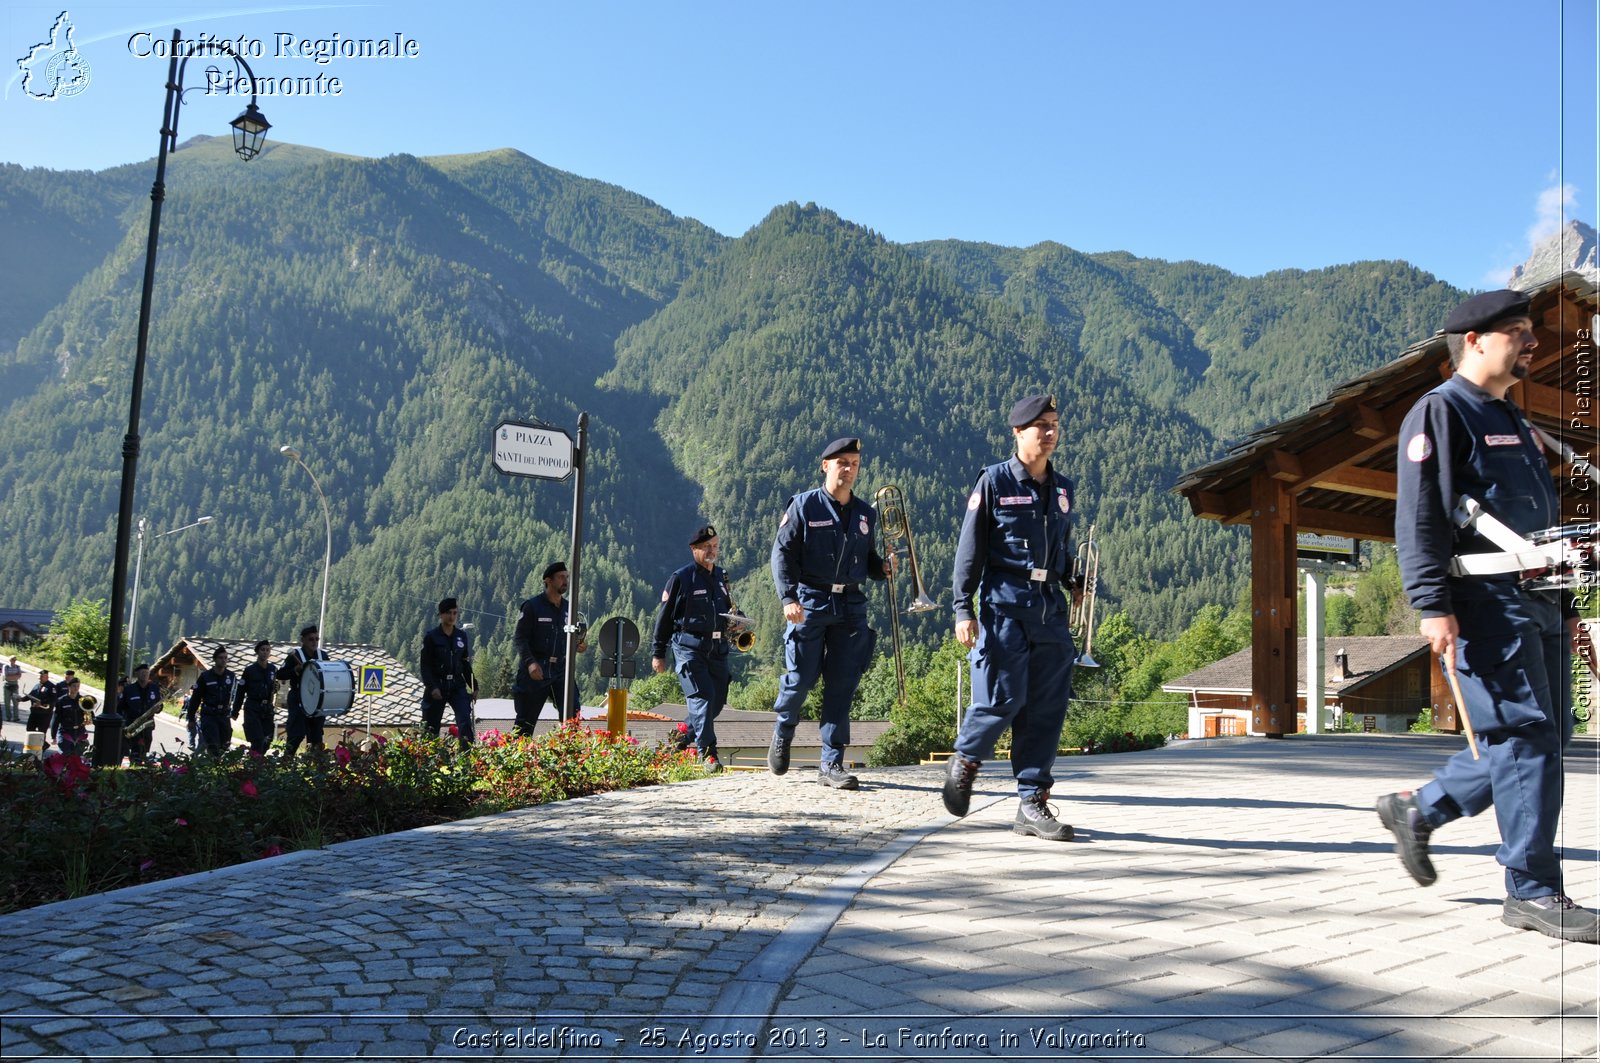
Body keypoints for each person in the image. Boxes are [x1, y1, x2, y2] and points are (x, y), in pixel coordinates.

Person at [1377, 289, 1598, 943]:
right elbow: (1417, 517)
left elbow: (1538, 527)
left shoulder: (1512, 416)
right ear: (1473, 341)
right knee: (1525, 737)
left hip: (1539, 597)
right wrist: (1430, 605)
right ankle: (1531, 889)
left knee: (1536, 738)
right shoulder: (1440, 413)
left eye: (1531, 330)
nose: (1532, 342)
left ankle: (1418, 808)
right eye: (1518, 331)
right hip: (1486, 603)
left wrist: (1570, 608)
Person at [940, 395, 1081, 840]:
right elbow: (970, 551)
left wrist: (1075, 576)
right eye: (1041, 426)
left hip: (1049, 610)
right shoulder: (995, 482)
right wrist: (963, 607)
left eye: (1055, 424)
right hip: (1003, 605)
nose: (1051, 432)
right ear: (1018, 433)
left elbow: (1059, 550)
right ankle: (965, 759)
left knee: (1046, 709)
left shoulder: (1062, 489)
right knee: (1002, 699)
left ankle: (1031, 802)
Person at [768, 436, 892, 790]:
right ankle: (784, 727)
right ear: (826, 466)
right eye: (843, 463)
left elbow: (867, 560)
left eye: (854, 463)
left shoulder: (866, 513)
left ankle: (831, 762)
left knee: (842, 684)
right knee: (802, 678)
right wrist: (788, 597)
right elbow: (782, 554)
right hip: (810, 600)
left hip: (850, 606)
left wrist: (881, 568)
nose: (849, 470)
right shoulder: (804, 506)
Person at [651, 523, 741, 773]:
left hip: (718, 648)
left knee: (718, 701)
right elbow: (665, 617)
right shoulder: (681, 578)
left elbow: (727, 608)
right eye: (707, 547)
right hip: (689, 647)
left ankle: (675, 743)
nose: (712, 551)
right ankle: (708, 755)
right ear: (694, 549)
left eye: (715, 546)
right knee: (702, 697)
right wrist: (658, 653)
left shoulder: (721, 576)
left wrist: (737, 621)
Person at [512, 563, 587, 734]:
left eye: (567, 577)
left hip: (561, 670)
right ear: (548, 580)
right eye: (561, 577)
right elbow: (520, 638)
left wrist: (578, 645)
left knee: (572, 716)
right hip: (536, 670)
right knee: (525, 724)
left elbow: (571, 635)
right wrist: (530, 663)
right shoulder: (532, 606)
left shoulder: (570, 608)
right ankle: (518, 758)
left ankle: (569, 755)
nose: (565, 581)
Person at [420, 598, 477, 748]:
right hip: (437, 684)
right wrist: (432, 687)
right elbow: (425, 666)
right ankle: (429, 760)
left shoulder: (461, 636)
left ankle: (466, 758)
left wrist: (473, 685)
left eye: (454, 613)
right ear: (440, 614)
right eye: (448, 613)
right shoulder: (431, 637)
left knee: (464, 720)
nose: (452, 617)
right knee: (431, 727)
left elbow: (465, 663)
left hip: (457, 685)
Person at [279, 625, 329, 758]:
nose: (314, 642)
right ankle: (286, 763)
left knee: (316, 737)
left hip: (317, 700)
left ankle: (315, 768)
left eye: (316, 639)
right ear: (303, 640)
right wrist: (295, 670)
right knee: (296, 734)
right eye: (311, 639)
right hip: (298, 698)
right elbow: (280, 674)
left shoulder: (323, 655)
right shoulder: (294, 656)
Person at [190, 646, 239, 755]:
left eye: (226, 658)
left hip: (224, 715)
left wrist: (235, 711)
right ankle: (211, 765)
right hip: (209, 715)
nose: (224, 660)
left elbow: (237, 695)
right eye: (221, 658)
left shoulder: (231, 676)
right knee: (213, 744)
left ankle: (211, 762)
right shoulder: (206, 677)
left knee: (225, 744)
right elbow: (196, 698)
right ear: (215, 659)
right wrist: (190, 718)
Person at [233, 640, 279, 755]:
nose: (265, 652)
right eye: (262, 650)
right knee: (257, 739)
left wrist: (276, 688)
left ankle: (258, 763)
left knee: (268, 740)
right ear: (257, 652)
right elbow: (240, 692)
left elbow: (276, 688)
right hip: (253, 707)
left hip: (267, 708)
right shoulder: (249, 670)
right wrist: (235, 711)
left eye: (267, 650)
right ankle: (253, 766)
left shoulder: (273, 669)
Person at [118, 663, 164, 762]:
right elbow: (121, 707)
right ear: (137, 674)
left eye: (147, 673)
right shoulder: (129, 689)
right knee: (136, 749)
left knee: (145, 748)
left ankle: (140, 766)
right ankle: (134, 763)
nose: (145, 675)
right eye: (142, 672)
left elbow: (159, 705)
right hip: (133, 723)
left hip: (148, 723)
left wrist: (158, 709)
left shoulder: (154, 688)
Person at [53, 677, 90, 756]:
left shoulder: (83, 700)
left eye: (78, 686)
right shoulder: (61, 701)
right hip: (66, 732)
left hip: (79, 732)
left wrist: (89, 719)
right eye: (74, 686)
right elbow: (56, 719)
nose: (76, 688)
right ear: (68, 687)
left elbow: (90, 714)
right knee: (65, 755)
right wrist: (53, 736)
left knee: (77, 756)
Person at [25, 669, 56, 738]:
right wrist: (22, 699)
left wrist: (41, 703)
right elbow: (31, 695)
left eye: (42, 677)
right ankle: (31, 746)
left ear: (47, 677)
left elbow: (53, 700)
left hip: (44, 714)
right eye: (39, 677)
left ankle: (42, 747)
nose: (40, 678)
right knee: (29, 730)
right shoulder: (37, 685)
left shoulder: (51, 687)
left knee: (41, 733)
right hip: (34, 712)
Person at [3, 656, 21, 723]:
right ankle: (8, 717)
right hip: (7, 685)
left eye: (15, 660)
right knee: (7, 702)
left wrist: (12, 676)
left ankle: (16, 717)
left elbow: (19, 676)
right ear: (9, 660)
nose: (13, 661)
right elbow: (6, 677)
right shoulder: (6, 666)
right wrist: (14, 676)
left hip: (15, 685)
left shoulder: (17, 667)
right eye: (12, 659)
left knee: (16, 702)